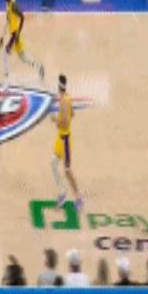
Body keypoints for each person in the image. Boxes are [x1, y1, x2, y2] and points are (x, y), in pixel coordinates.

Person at [0, 0, 44, 88]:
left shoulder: (14, 5)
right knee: (23, 57)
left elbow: (22, 16)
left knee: (5, 53)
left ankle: (6, 80)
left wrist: (19, 31)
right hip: (14, 35)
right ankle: (38, 66)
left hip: (15, 35)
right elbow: (7, 22)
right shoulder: (8, 5)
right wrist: (2, 36)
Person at [51, 74, 83, 211]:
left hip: (65, 141)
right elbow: (72, 114)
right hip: (61, 138)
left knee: (67, 171)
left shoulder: (63, 101)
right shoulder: (68, 98)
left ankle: (79, 197)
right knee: (53, 164)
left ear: (58, 87)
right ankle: (62, 193)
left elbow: (63, 123)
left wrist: (55, 119)